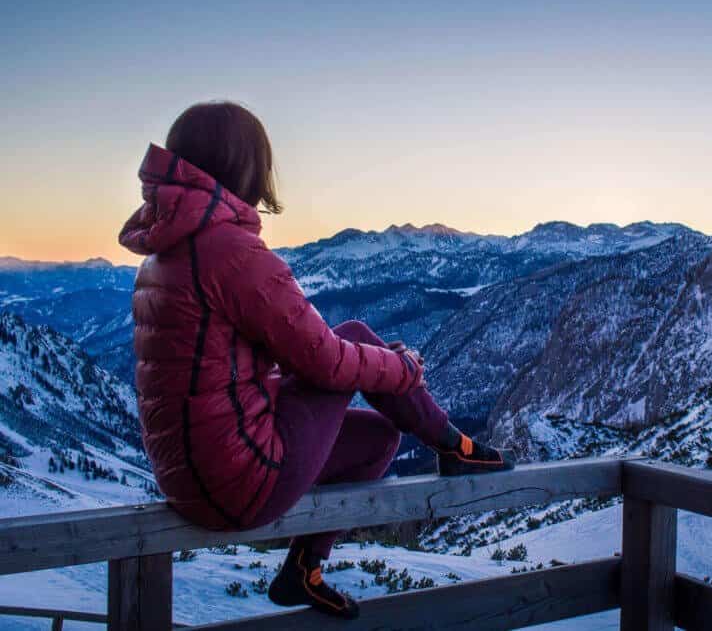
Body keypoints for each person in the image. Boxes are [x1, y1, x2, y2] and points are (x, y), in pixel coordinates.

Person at [118, 101, 514, 619]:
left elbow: (215, 371)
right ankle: (453, 444)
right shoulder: (228, 251)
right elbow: (327, 362)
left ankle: (303, 571)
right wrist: (403, 369)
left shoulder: (166, 252)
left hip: (191, 475)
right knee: (351, 339)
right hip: (237, 481)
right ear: (247, 168)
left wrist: (368, 364)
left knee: (380, 437)